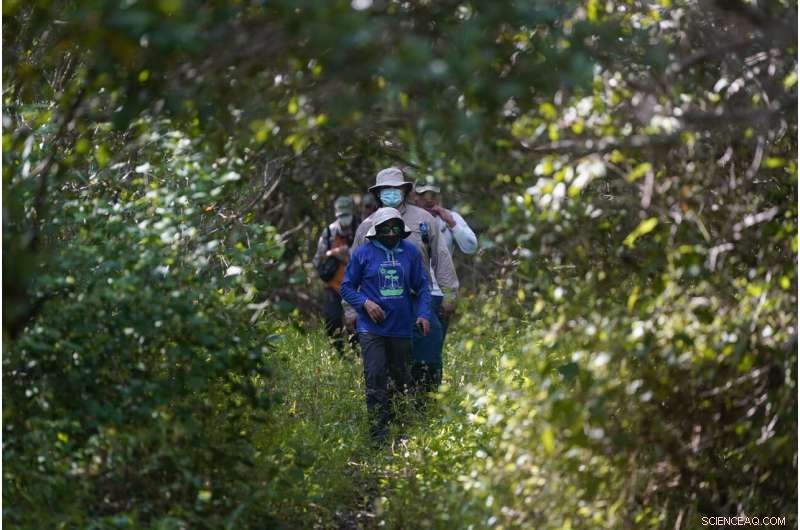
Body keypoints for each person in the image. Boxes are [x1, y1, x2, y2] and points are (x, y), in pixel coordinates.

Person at [345, 167, 459, 397]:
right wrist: (351, 310)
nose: (392, 194)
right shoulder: (367, 226)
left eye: (396, 189)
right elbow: (352, 272)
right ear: (378, 194)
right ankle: (393, 418)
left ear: (405, 191)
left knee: (428, 358)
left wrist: (449, 295)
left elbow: (441, 256)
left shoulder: (424, 220)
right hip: (381, 308)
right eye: (386, 190)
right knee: (387, 369)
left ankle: (426, 408)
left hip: (419, 301)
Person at [339, 208, 431, 444]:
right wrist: (365, 303)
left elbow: (422, 287)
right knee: (375, 376)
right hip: (371, 329)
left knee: (401, 379)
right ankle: (378, 436)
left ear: (402, 230)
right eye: (386, 229)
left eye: (395, 228)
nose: (391, 233)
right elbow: (346, 287)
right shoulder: (363, 254)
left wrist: (423, 314)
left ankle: (399, 431)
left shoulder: (410, 252)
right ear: (375, 231)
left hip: (401, 327)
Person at [413, 181, 478, 338]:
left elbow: (471, 247)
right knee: (414, 343)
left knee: (436, 343)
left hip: (441, 293)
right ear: (415, 197)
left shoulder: (450, 217)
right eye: (424, 195)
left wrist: (451, 223)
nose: (429, 199)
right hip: (415, 292)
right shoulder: (408, 218)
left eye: (433, 194)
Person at [312, 196, 357, 354]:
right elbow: (317, 260)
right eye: (341, 216)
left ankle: (358, 355)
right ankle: (338, 355)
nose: (344, 220)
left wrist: (348, 255)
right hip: (333, 287)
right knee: (332, 321)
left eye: (347, 215)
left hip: (356, 287)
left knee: (357, 324)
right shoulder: (329, 233)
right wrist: (334, 253)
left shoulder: (361, 230)